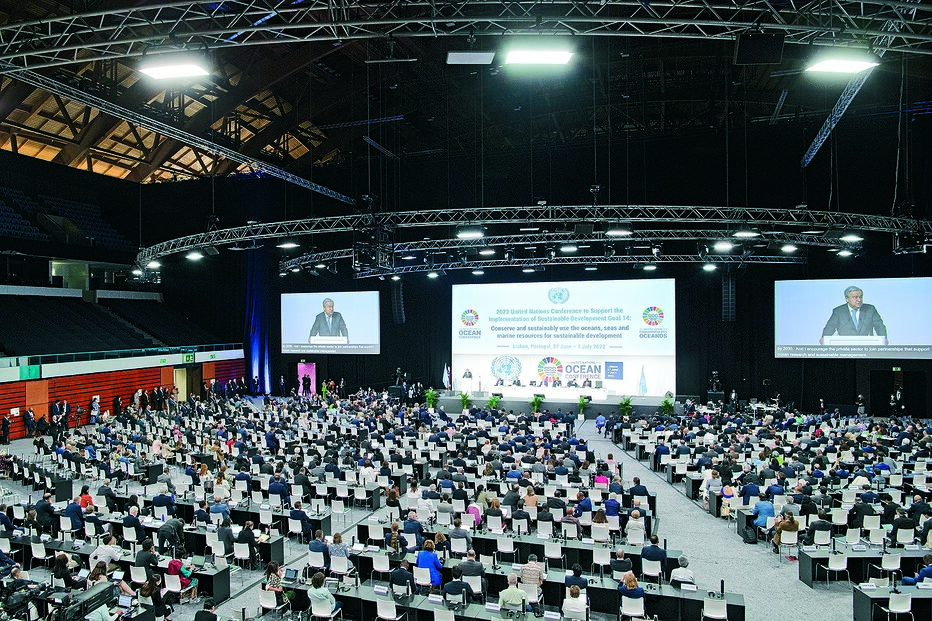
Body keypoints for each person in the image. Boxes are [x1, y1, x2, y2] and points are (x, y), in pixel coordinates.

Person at [820, 285, 888, 344]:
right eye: (855, 297)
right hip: (845, 347)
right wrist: (824, 338)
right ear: (847, 299)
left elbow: (879, 326)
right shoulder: (838, 311)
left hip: (866, 346)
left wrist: (884, 338)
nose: (859, 300)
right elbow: (830, 327)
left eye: (861, 297)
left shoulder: (870, 309)